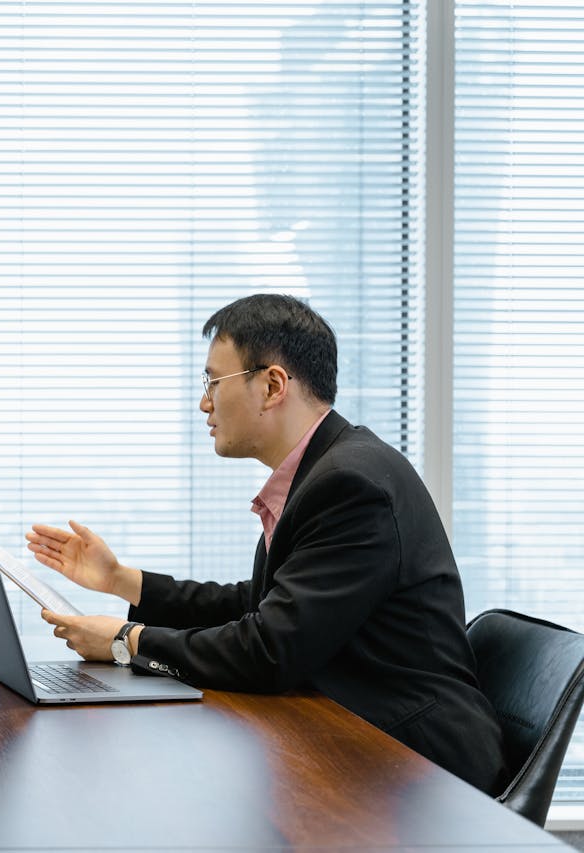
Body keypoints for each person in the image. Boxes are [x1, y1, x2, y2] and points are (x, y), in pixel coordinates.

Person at [26, 293, 506, 794]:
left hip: (419, 763)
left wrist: (128, 642)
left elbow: (270, 649)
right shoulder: (322, 473)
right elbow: (259, 605)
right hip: (358, 735)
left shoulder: (351, 485)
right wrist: (120, 580)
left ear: (273, 385)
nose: (204, 403)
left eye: (213, 381)